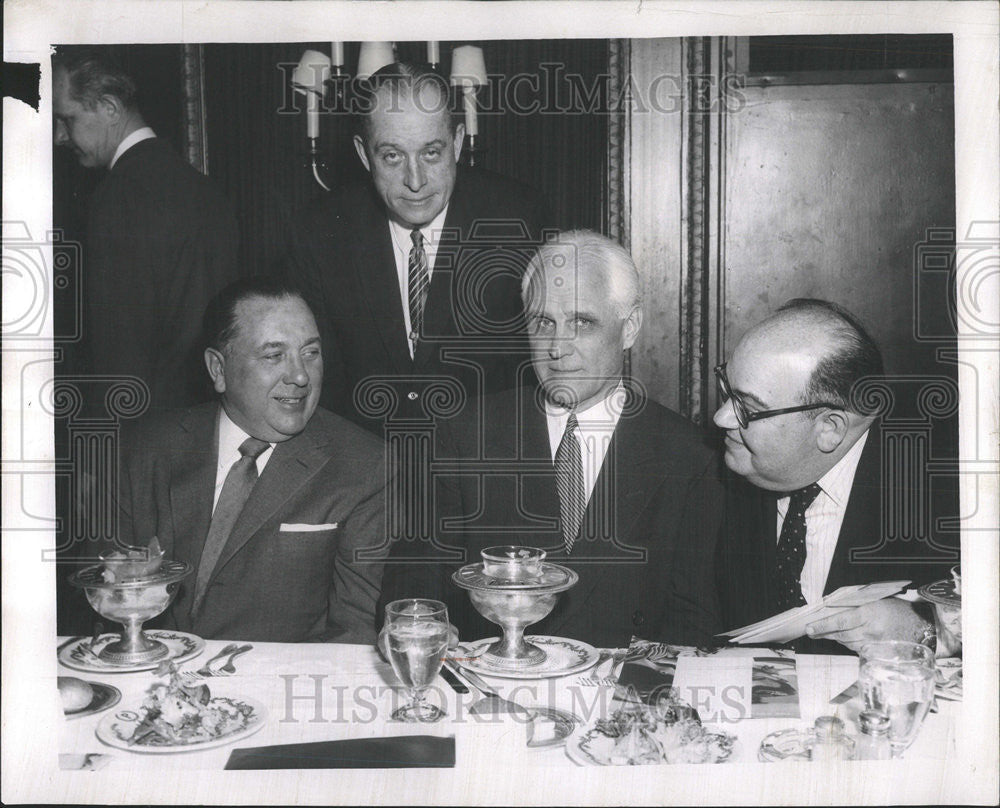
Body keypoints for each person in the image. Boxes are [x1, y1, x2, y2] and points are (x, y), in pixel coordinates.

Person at [377, 231, 723, 649]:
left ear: (629, 328)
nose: (557, 347)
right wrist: (421, 627)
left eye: (582, 322)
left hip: (617, 697)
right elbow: (415, 573)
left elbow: (693, 618)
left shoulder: (687, 453)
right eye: (543, 322)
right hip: (490, 687)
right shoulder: (467, 432)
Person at [106, 278, 390, 643]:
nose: (301, 375)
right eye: (274, 355)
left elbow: (355, 633)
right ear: (218, 370)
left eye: (311, 353)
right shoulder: (144, 450)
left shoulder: (364, 465)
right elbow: (102, 601)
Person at [285, 61, 549, 435]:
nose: (415, 181)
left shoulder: (518, 220)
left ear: (457, 143)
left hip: (485, 465)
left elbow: (536, 374)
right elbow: (318, 380)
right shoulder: (319, 233)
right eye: (392, 156)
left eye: (431, 153)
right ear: (364, 155)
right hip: (366, 470)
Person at [713, 298, 959, 655]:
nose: (721, 418)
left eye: (748, 408)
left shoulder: (950, 491)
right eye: (726, 389)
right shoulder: (708, 474)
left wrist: (928, 631)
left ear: (829, 428)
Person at [52, 46, 239, 411]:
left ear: (109, 108)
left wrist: (102, 458)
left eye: (67, 119)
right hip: (207, 423)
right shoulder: (206, 190)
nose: (59, 136)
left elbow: (118, 351)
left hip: (143, 436)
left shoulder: (117, 197)